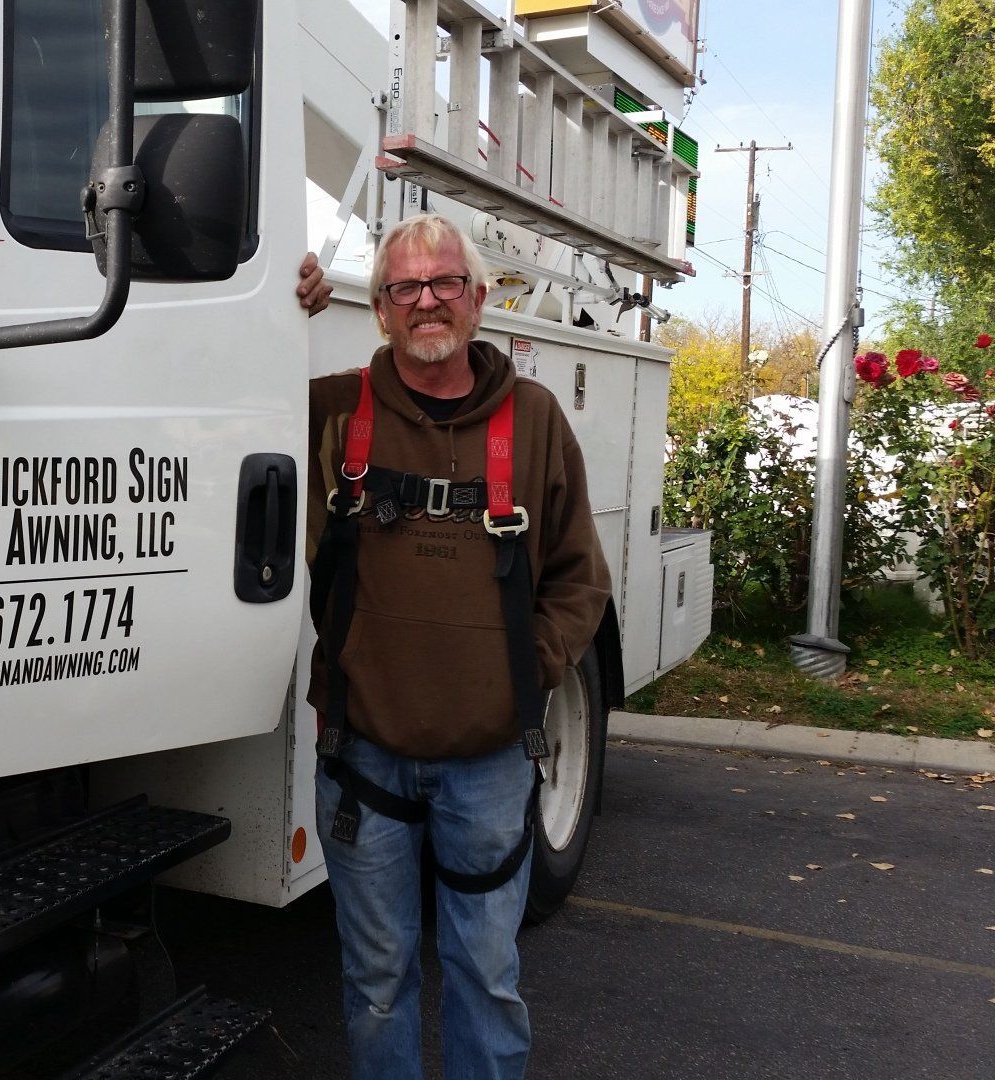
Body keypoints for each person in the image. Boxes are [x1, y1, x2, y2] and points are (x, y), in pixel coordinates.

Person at [293, 218, 609, 1079]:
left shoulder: (534, 419)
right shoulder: (333, 411)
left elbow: (582, 578)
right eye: (403, 287)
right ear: (381, 311)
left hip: (491, 764)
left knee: (488, 975)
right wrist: (290, 303)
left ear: (476, 299)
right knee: (378, 982)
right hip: (362, 758)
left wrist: (524, 672)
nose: (425, 299)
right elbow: (222, 393)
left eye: (443, 283)